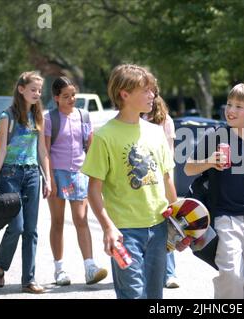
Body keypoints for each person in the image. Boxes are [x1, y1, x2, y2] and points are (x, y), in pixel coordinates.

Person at [81, 64, 178, 299]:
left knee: (154, 296)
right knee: (133, 295)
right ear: (125, 94)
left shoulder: (156, 132)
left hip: (158, 228)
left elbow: (166, 180)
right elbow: (94, 191)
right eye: (145, 90)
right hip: (124, 231)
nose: (152, 95)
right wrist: (108, 227)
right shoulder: (104, 136)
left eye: (152, 90)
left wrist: (179, 222)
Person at [184, 83, 244, 299]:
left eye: (238, 106)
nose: (230, 110)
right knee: (232, 275)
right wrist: (209, 162)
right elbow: (189, 168)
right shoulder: (214, 137)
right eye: (229, 104)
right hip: (225, 218)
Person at [0, 71, 52, 294]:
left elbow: (42, 149)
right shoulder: (7, 117)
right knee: (17, 226)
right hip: (9, 176)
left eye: (39, 90)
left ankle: (28, 280)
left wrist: (48, 178)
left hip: (33, 174)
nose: (37, 93)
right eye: (33, 89)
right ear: (21, 89)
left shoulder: (39, 116)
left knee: (31, 230)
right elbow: (1, 148)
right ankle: (0, 264)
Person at [44, 76, 108, 286]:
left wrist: (96, 175)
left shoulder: (84, 116)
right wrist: (49, 178)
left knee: (81, 219)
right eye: (66, 96)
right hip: (56, 174)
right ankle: (59, 269)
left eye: (73, 95)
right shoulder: (49, 119)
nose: (71, 99)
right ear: (56, 98)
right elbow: (44, 151)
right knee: (58, 221)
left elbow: (90, 147)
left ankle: (90, 266)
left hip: (80, 173)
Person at [142, 93, 179, 289]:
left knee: (168, 225)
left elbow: (170, 152)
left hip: (163, 176)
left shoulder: (166, 121)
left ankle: (170, 272)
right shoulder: (137, 119)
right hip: (144, 180)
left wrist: (169, 179)